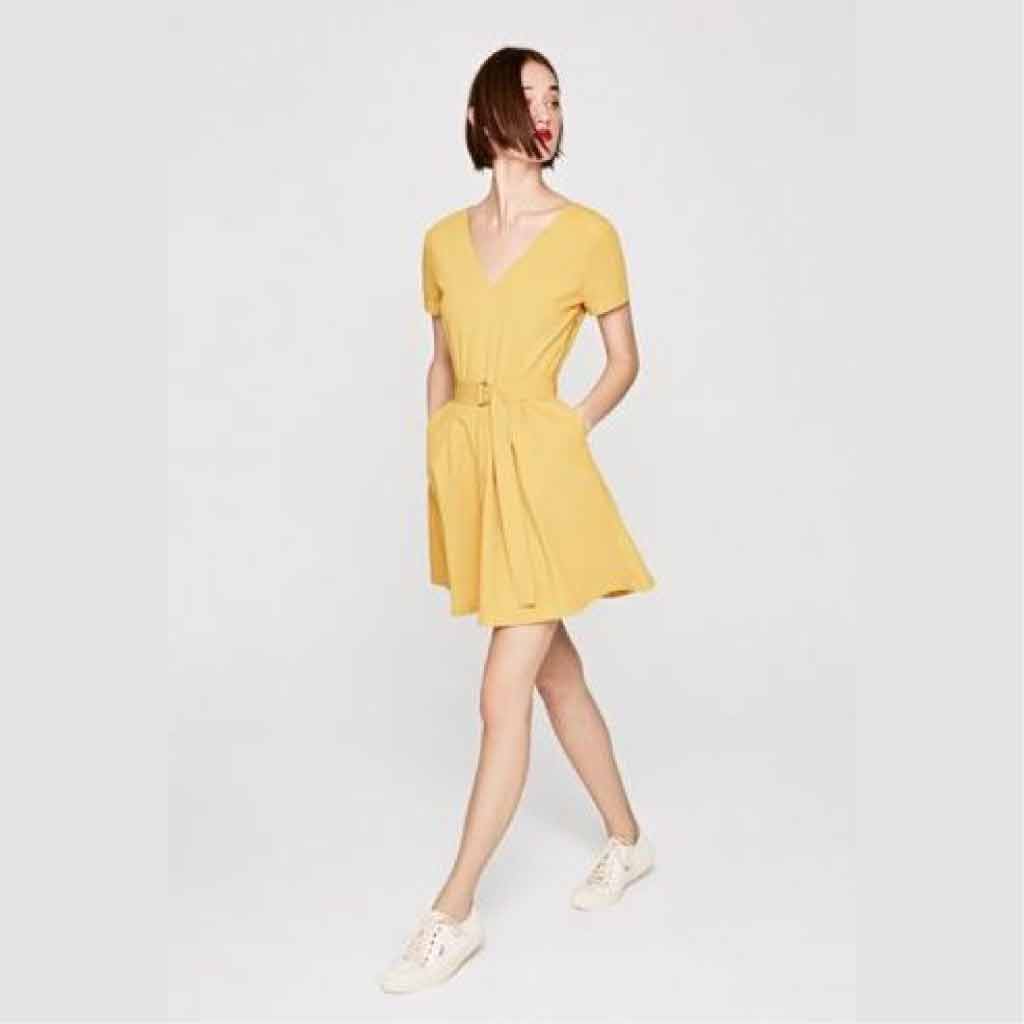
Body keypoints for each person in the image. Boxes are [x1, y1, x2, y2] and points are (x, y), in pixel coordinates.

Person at [380, 47, 657, 995]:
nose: (545, 113)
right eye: (528, 96)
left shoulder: (586, 233)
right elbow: (443, 363)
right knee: (555, 676)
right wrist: (440, 456)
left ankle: (451, 911)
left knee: (502, 691)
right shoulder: (441, 241)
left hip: (542, 475)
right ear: (480, 114)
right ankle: (627, 839)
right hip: (474, 474)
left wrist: (565, 430)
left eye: (556, 98)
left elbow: (624, 360)